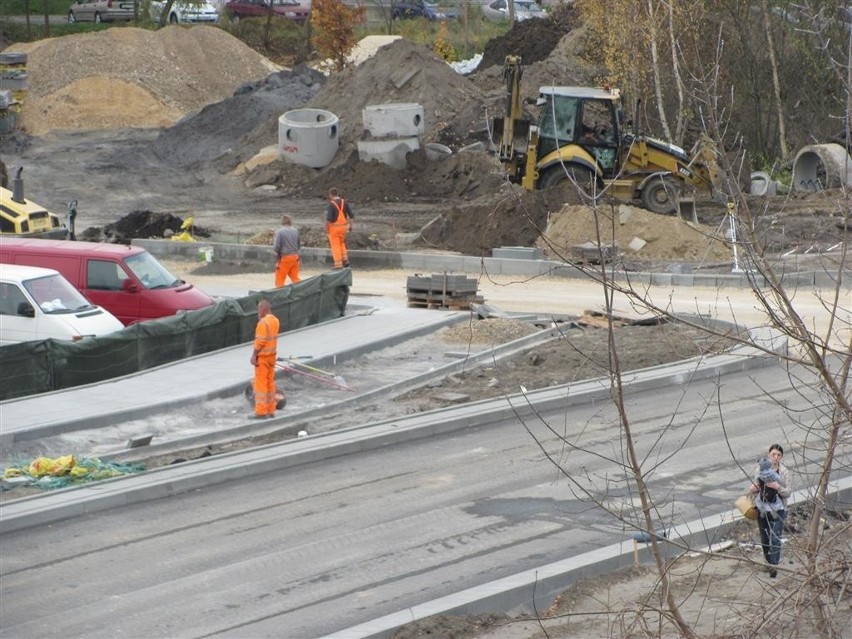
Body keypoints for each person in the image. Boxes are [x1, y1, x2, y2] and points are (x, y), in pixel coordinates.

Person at [749, 444, 791, 578]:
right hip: (762, 507)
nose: (776, 457)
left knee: (776, 537)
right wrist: (754, 488)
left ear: (782, 457)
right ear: (769, 454)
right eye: (773, 454)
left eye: (778, 455)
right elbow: (752, 487)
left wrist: (777, 487)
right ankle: (768, 562)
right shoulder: (760, 469)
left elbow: (788, 492)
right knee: (765, 537)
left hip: (778, 509)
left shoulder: (784, 472)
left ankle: (774, 566)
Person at [250, 298, 279, 419]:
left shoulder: (263, 323)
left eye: (259, 309)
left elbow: (260, 341)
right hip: (272, 357)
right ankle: (271, 409)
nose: (258, 312)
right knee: (270, 383)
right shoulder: (275, 320)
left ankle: (261, 412)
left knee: (260, 384)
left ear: (263, 309)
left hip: (262, 358)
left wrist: (254, 355)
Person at [325, 187, 354, 269]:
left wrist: (326, 229)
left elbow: (329, 219)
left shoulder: (331, 204)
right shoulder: (344, 202)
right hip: (343, 228)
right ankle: (345, 260)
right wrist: (350, 227)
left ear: (330, 195)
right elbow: (351, 216)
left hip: (334, 229)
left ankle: (338, 265)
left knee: (335, 246)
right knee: (342, 243)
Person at [273, 214, 301, 287]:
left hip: (285, 258)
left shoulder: (280, 232)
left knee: (280, 279)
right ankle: (301, 292)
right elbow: (298, 245)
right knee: (295, 278)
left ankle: (279, 295)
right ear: (290, 222)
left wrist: (276, 253)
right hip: (295, 257)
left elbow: (277, 246)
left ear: (282, 222)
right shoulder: (296, 231)